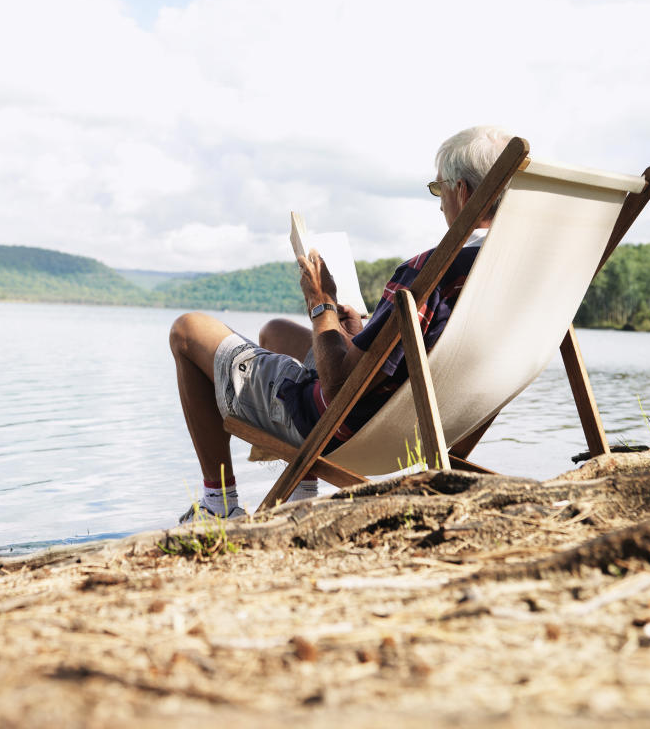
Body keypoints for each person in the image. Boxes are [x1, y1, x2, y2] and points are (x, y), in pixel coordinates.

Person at [169, 125, 512, 521]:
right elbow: (414, 350)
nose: (439, 204)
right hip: (423, 422)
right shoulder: (509, 272)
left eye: (440, 189)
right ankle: (301, 495)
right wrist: (357, 330)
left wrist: (321, 303)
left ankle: (217, 507)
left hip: (346, 427)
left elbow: (337, 387)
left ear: (463, 192)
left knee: (187, 329)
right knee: (276, 333)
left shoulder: (428, 272)